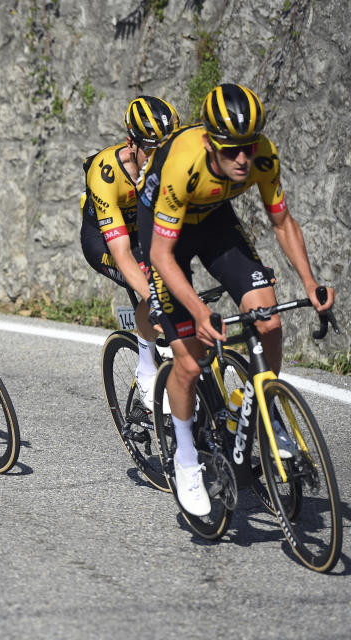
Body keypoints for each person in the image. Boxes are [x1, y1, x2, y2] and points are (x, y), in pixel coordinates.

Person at [136, 83, 334, 516]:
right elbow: (162, 257)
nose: (243, 158)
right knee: (190, 361)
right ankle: (185, 456)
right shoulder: (183, 164)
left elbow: (282, 222)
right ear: (210, 143)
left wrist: (309, 284)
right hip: (163, 236)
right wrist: (201, 311)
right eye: (231, 150)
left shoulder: (262, 154)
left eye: (247, 146)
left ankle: (263, 407)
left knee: (269, 321)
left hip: (214, 222)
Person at [81, 95, 180, 409]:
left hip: (144, 231)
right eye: (152, 148)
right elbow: (122, 253)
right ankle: (146, 371)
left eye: (166, 147)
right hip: (106, 241)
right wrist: (155, 298)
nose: (159, 157)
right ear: (131, 144)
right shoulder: (105, 171)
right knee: (151, 286)